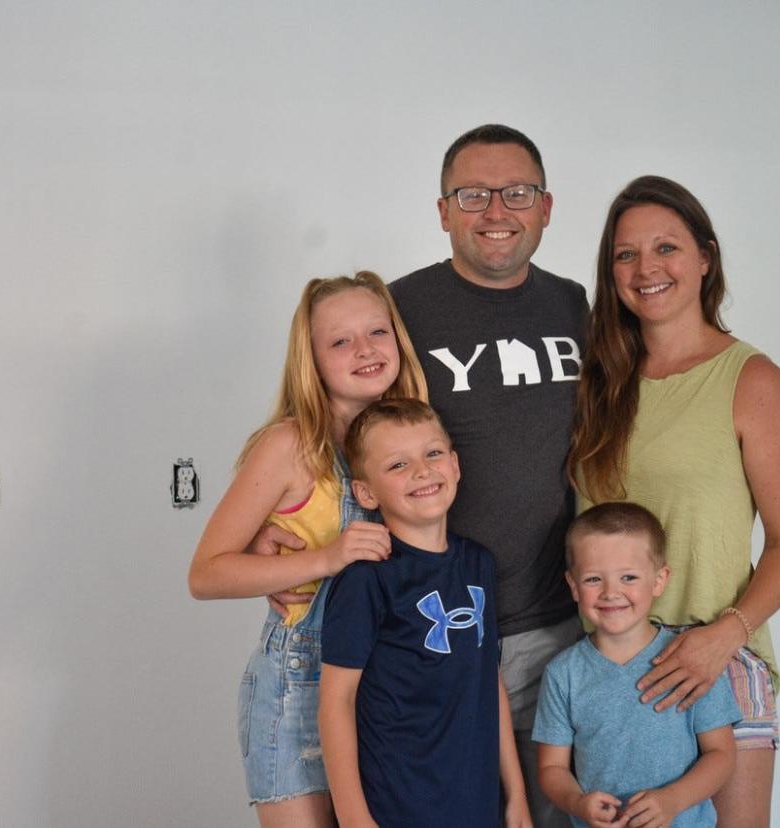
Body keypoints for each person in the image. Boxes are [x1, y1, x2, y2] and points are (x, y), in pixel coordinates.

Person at [260, 124, 587, 827]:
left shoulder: (575, 307)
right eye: (472, 194)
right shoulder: (401, 311)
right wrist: (273, 529)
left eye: (517, 192)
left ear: (547, 206)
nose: (496, 210)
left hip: (555, 626)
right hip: (417, 630)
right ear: (442, 211)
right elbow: (328, 416)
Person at [570, 176, 780, 828]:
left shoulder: (751, 380)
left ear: (705, 257)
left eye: (666, 248)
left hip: (717, 666)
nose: (646, 268)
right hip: (612, 669)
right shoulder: (597, 385)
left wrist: (721, 638)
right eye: (626, 254)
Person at [188, 272, 428, 827]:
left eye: (377, 332)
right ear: (313, 360)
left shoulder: (411, 439)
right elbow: (205, 574)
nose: (365, 350)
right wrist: (324, 557)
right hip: (299, 690)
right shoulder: (290, 446)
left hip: (382, 689)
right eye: (340, 341)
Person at [318, 398, 532, 828]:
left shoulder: (478, 565)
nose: (422, 470)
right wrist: (355, 819)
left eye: (433, 453)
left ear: (454, 464)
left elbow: (490, 682)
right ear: (365, 492)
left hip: (476, 802)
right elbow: (335, 703)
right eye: (397, 465)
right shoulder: (367, 580)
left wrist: (517, 797)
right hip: (398, 806)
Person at [535, 503, 741, 828]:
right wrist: (577, 802)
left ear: (659, 580)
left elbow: (722, 756)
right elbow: (551, 769)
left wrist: (673, 800)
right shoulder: (563, 674)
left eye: (628, 577)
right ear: (573, 586)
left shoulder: (690, 661)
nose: (611, 592)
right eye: (592, 579)